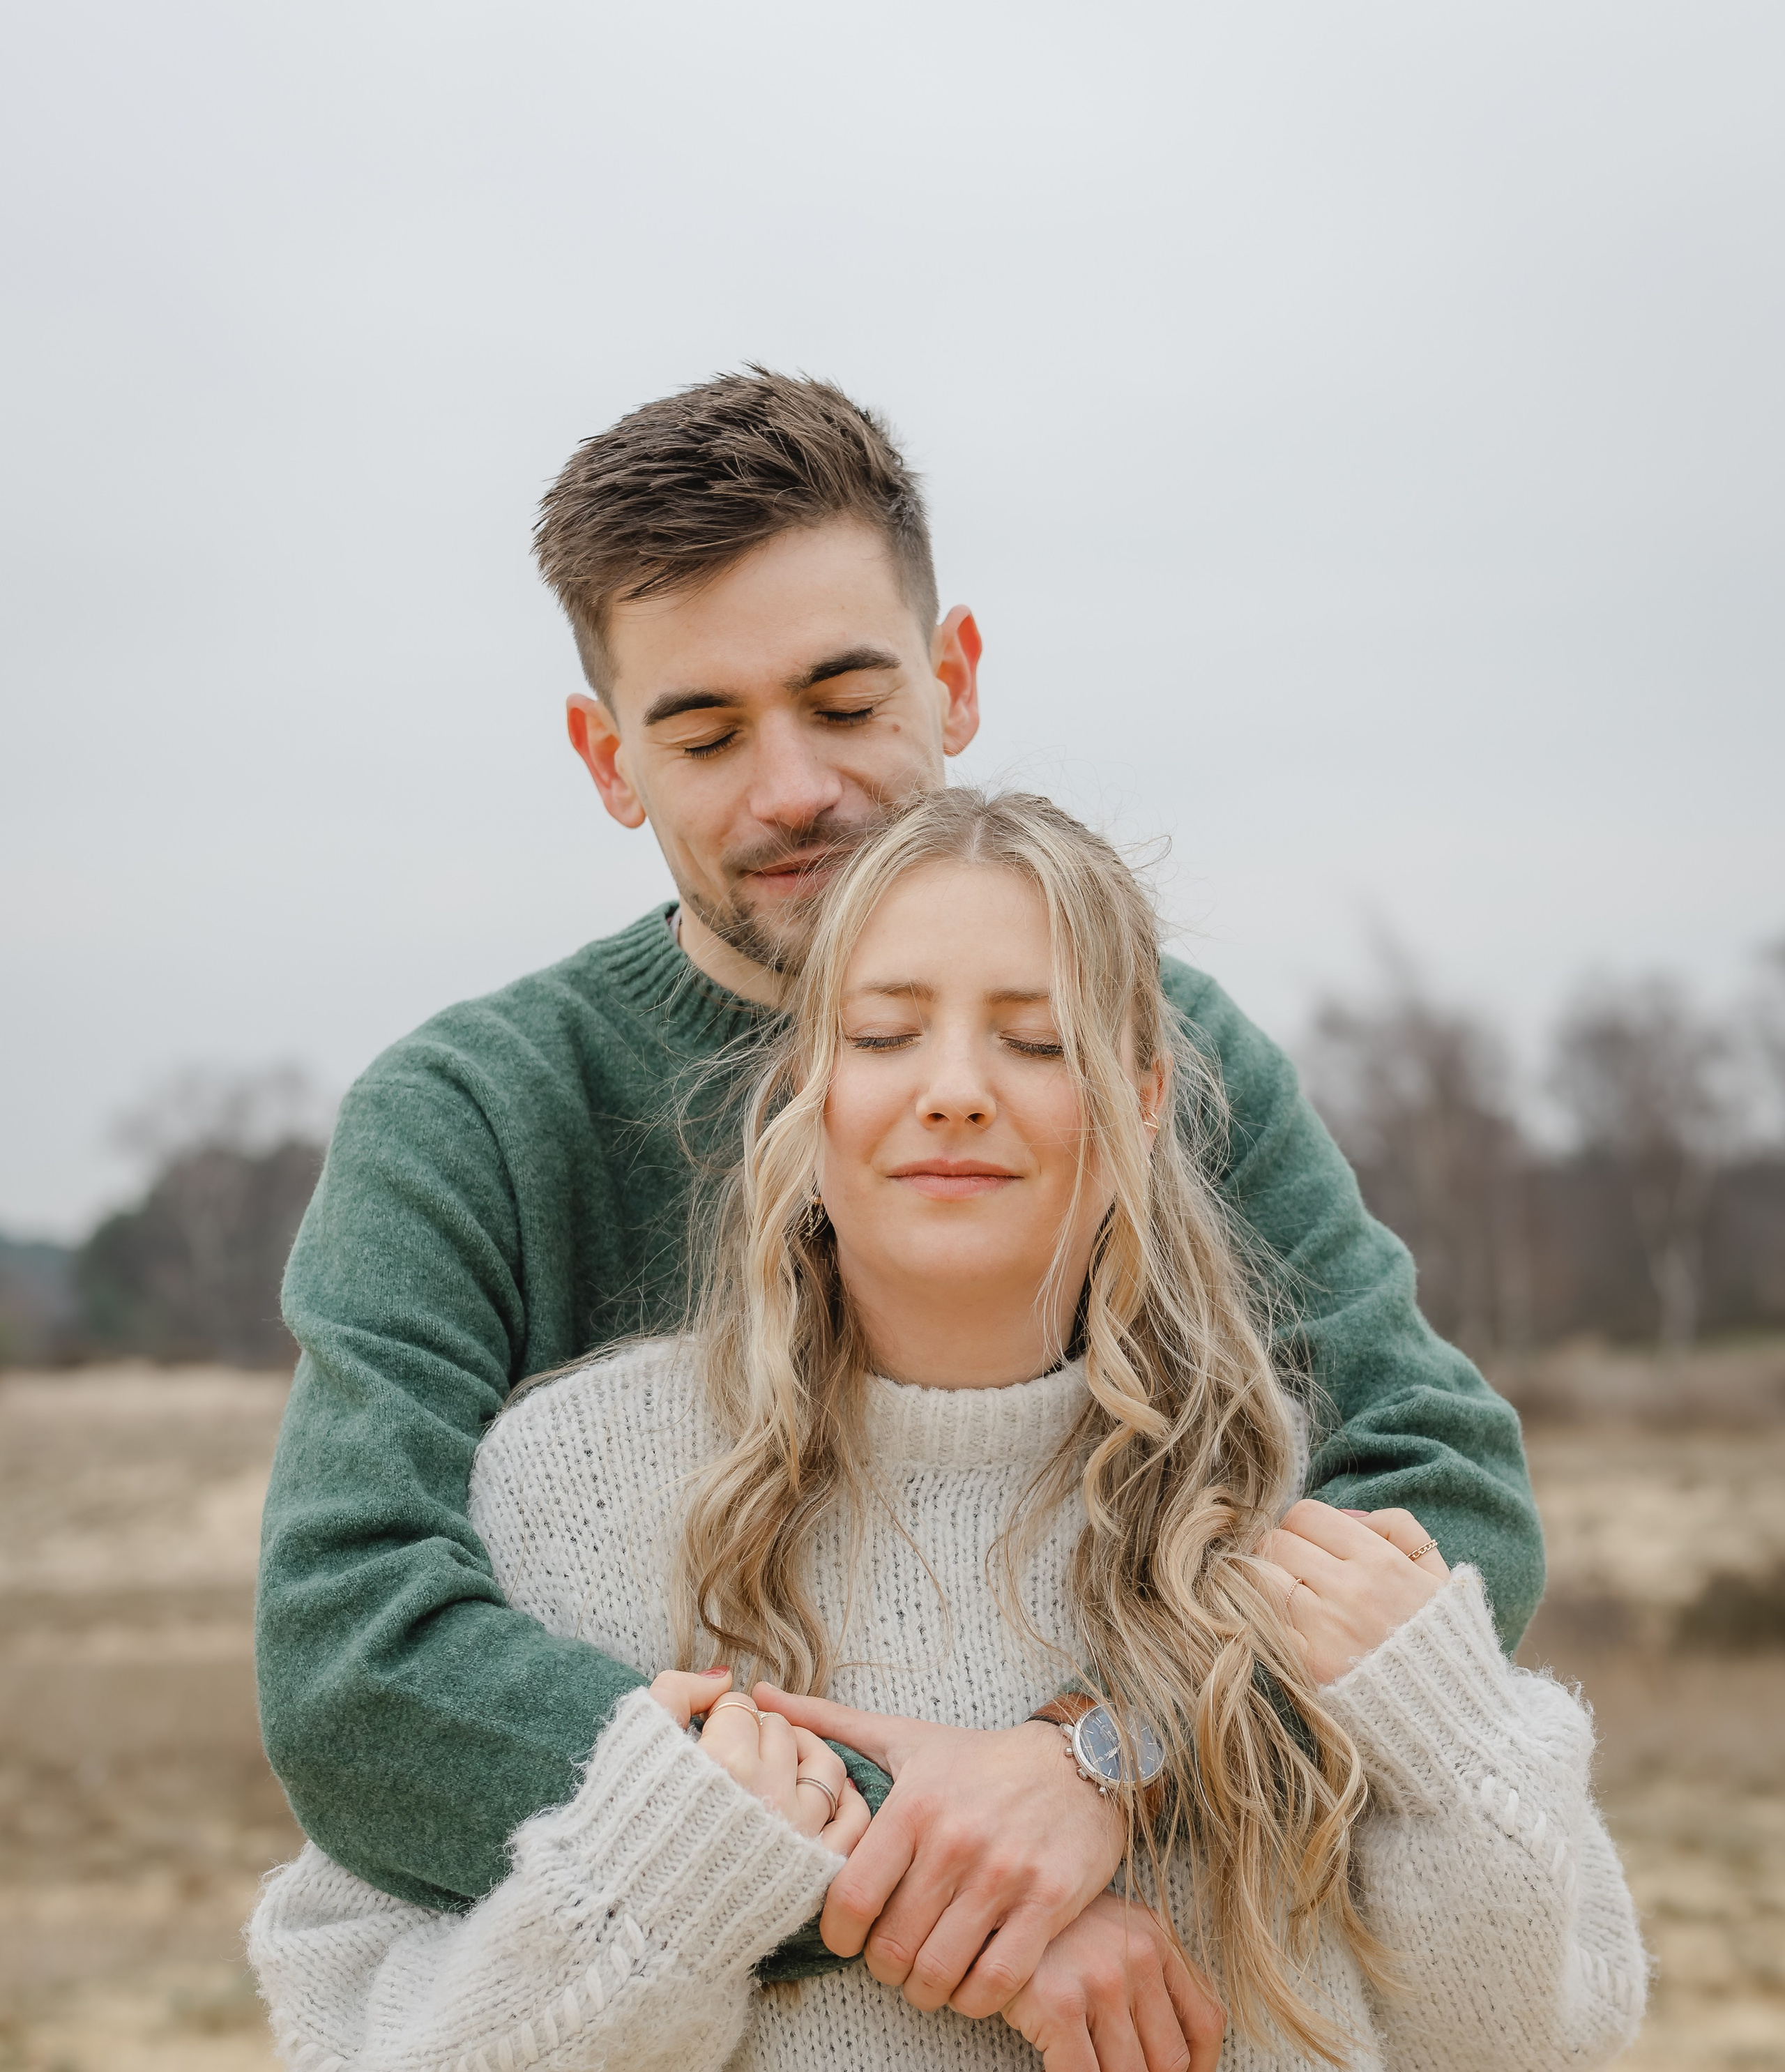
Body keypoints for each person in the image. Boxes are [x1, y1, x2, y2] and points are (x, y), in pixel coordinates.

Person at [256, 371, 1546, 2016]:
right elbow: (357, 1668)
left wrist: (1110, 1762)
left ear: (954, 680)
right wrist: (922, 1865)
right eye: (705, 734)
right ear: (606, 757)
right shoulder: (468, 1119)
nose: (791, 787)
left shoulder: (1157, 1051)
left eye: (846, 701)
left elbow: (1439, 1487)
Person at [249, 789, 1646, 2072]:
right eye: (882, 1035)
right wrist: (680, 1868)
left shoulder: (1301, 1499)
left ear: (1143, 1100)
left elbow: (1531, 2043)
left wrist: (1447, 1732)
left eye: (1036, 1040)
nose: (957, 1088)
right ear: (802, 1091)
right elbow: (357, 2031)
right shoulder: (571, 1494)